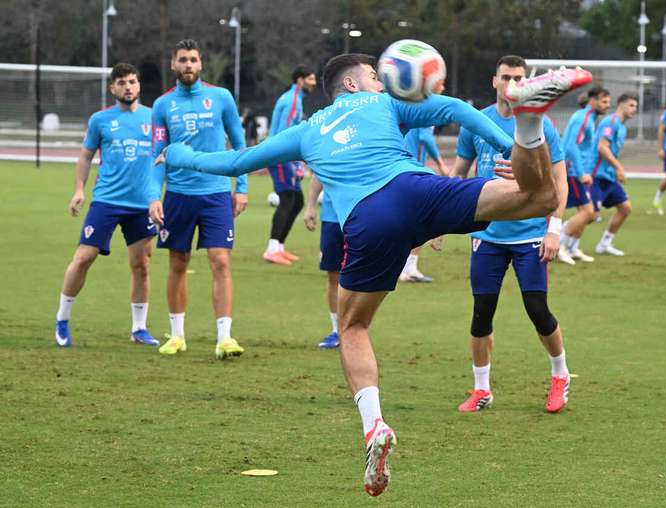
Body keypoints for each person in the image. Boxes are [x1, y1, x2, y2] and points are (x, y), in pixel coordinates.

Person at [159, 53, 591, 496]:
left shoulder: (307, 132)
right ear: (351, 85)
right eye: (374, 77)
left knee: (353, 325)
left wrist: (179, 153)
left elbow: (236, 162)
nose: (383, 83)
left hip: (368, 221)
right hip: (418, 192)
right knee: (541, 199)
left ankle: (374, 426)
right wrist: (505, 145)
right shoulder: (382, 105)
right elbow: (455, 109)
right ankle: (529, 122)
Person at [452, 55, 571, 414]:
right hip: (487, 234)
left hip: (530, 234)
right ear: (494, 81)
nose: (511, 84)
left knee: (537, 310)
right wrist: (439, 221)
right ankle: (481, 389)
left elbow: (560, 180)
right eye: (506, 77)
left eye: (518, 78)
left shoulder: (540, 125)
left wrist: (554, 229)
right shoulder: (477, 123)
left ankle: (560, 375)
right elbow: (459, 174)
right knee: (481, 314)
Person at [149, 39, 248, 359]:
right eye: (182, 60)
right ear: (173, 65)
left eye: (193, 59)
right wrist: (154, 196)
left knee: (220, 261)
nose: (188, 64)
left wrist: (242, 186)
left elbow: (239, 142)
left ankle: (224, 337)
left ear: (200, 64)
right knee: (178, 263)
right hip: (178, 195)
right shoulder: (163, 105)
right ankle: (177, 335)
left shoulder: (220, 97)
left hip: (217, 193)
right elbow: (156, 154)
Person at [55, 63, 158, 348]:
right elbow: (86, 156)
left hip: (141, 205)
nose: (128, 87)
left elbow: (166, 156)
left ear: (139, 86)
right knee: (84, 257)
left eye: (133, 81)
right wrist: (79, 189)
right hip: (107, 200)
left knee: (141, 264)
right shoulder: (100, 120)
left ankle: (139, 328)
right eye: (122, 82)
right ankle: (62, 320)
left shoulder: (154, 118)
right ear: (112, 88)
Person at [263, 66, 317, 265]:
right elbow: (285, 134)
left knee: (297, 202)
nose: (314, 82)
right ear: (300, 80)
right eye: (311, 79)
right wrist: (294, 164)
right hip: (278, 155)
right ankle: (271, 249)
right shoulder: (292, 100)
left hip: (283, 156)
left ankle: (279, 247)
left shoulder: (295, 99)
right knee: (287, 200)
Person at [557, 85, 610, 264]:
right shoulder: (583, 118)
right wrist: (580, 173)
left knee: (587, 212)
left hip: (580, 172)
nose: (607, 105)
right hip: (572, 171)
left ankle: (571, 248)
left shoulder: (590, 118)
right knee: (588, 212)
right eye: (604, 101)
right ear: (592, 100)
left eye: (608, 102)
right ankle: (558, 243)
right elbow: (571, 146)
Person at [589, 93, 639, 256]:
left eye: (636, 106)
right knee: (590, 215)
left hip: (608, 177)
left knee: (625, 208)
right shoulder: (610, 122)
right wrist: (619, 167)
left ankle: (604, 244)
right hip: (596, 175)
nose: (634, 109)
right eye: (631, 105)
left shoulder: (622, 127)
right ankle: (560, 241)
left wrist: (615, 170)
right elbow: (602, 147)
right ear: (621, 105)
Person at [400, 126, 449, 282]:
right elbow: (425, 138)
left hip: (397, 168)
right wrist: (441, 164)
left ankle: (405, 268)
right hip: (413, 171)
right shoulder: (425, 109)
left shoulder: (402, 106)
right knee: (423, 217)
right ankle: (408, 269)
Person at [303, 174, 342, 349]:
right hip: (331, 219)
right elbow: (318, 174)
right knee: (333, 275)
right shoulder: (326, 147)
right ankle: (337, 330)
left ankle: (356, 327)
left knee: (360, 277)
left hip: (361, 216)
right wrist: (310, 206)